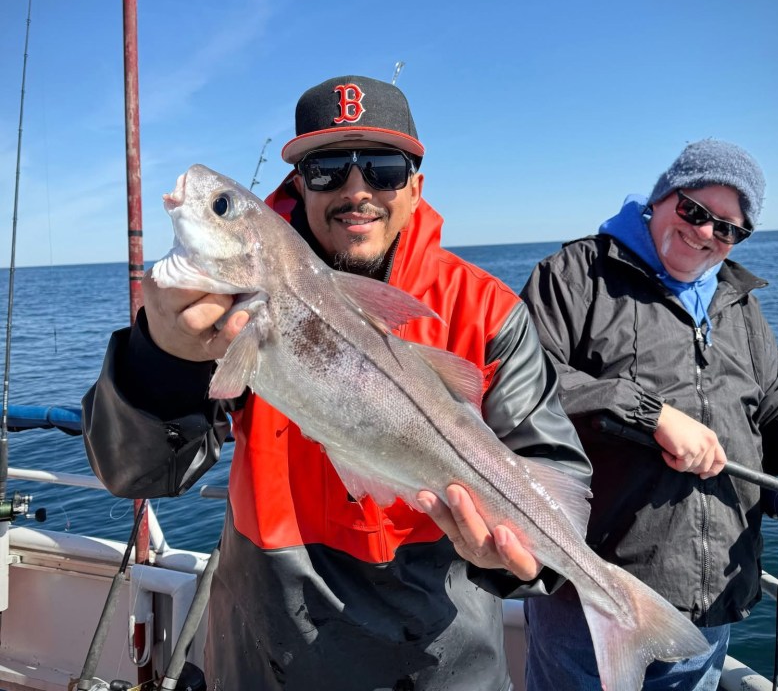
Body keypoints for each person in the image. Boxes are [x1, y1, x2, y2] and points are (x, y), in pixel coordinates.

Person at [82, 74, 592, 691]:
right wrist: (161, 357)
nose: (357, 191)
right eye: (327, 169)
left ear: (415, 186)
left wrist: (522, 564)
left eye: (382, 168)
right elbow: (138, 476)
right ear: (299, 185)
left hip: (442, 659)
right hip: (264, 651)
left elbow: (551, 475)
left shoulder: (488, 310)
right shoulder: (222, 308)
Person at [521, 138, 778, 690]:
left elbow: (776, 413)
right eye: (695, 212)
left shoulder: (739, 306)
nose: (705, 234)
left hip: (708, 606)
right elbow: (518, 380)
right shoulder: (576, 274)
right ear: (663, 197)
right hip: (592, 596)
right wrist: (650, 413)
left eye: (728, 229)